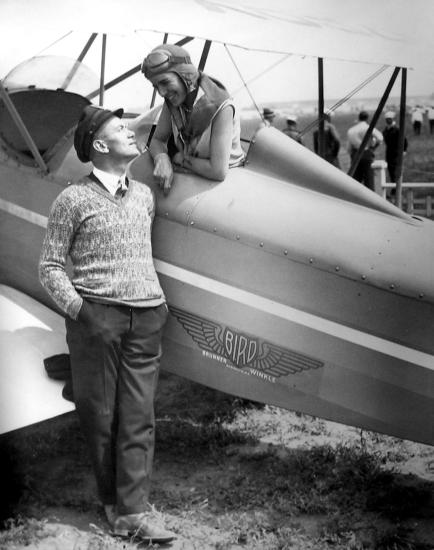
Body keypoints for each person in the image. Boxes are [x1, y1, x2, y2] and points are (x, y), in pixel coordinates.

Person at [39, 105, 176, 545]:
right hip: (98, 318)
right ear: (100, 145)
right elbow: (50, 267)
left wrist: (157, 306)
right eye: (121, 128)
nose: (131, 131)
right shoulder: (72, 199)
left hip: (148, 316)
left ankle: (132, 512)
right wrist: (85, 314)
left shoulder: (143, 196)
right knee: (100, 415)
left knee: (139, 416)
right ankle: (113, 504)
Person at [140, 43, 244, 196]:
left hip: (225, 185)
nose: (161, 92)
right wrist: (161, 158)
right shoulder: (174, 101)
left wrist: (176, 157)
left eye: (165, 82)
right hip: (195, 176)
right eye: (156, 86)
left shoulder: (220, 106)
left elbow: (218, 171)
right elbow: (157, 140)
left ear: (185, 76)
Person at [347, 110, 383, 191]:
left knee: (355, 180)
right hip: (367, 153)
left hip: (355, 153)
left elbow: (349, 147)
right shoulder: (368, 128)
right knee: (369, 179)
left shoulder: (351, 130)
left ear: (359, 118)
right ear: (367, 118)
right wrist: (373, 148)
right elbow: (380, 138)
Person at [382, 111, 408, 183]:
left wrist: (404, 150)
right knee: (391, 171)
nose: (388, 120)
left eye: (389, 119)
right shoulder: (385, 130)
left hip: (397, 153)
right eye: (387, 119)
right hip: (389, 153)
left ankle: (396, 187)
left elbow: (404, 141)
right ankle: (394, 187)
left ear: (393, 119)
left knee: (396, 171)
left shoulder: (397, 129)